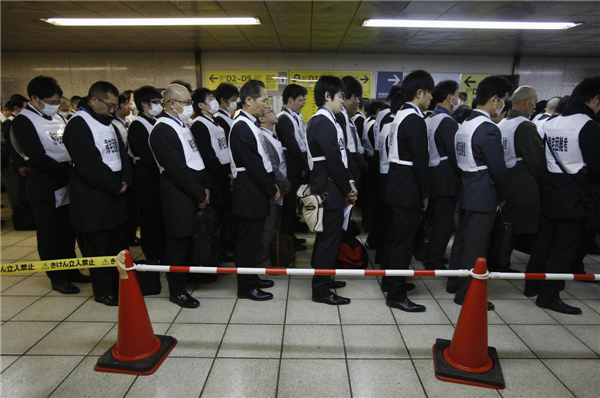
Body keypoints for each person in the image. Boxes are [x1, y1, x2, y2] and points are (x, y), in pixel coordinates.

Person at [525, 77, 600, 314]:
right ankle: (549, 295)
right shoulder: (587, 125)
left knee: (544, 242)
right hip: (575, 194)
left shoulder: (553, 123)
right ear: (595, 99)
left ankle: (532, 285)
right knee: (565, 247)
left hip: (550, 188)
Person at [11, 76, 90, 293]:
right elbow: (37, 156)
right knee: (49, 233)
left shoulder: (58, 118)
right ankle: (57, 277)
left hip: (65, 178)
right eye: (51, 101)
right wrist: (70, 175)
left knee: (67, 230)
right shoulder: (23, 120)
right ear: (35, 98)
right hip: (45, 182)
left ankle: (71, 270)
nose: (55, 106)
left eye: (57, 102)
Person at [63, 81, 132, 306]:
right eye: (110, 105)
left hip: (115, 192)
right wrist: (114, 185)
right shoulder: (78, 124)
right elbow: (89, 164)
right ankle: (104, 291)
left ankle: (119, 284)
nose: (113, 110)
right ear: (94, 100)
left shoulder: (108, 123)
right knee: (97, 246)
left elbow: (122, 153)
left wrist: (125, 181)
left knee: (116, 243)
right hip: (92, 195)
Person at [447, 75, 513, 310]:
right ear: (494, 99)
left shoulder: (464, 123)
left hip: (466, 187)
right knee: (476, 247)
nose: (503, 105)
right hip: (484, 191)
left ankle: (454, 283)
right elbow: (499, 168)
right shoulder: (488, 128)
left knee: (463, 241)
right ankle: (467, 295)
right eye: (504, 100)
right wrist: (503, 196)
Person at [149, 84, 211, 308]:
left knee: (188, 240)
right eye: (185, 103)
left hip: (193, 189)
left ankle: (188, 276)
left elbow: (195, 159)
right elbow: (177, 169)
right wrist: (198, 193)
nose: (190, 107)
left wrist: (205, 187)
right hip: (177, 193)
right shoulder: (163, 129)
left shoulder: (182, 125)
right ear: (172, 104)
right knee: (177, 242)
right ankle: (176, 290)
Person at [383, 70, 433, 312]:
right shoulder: (414, 119)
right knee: (404, 242)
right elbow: (421, 161)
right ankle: (396, 293)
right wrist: (425, 193)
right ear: (420, 92)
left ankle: (391, 281)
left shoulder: (400, 115)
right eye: (429, 92)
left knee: (395, 238)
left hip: (396, 182)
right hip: (408, 186)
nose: (432, 97)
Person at [307, 75, 356, 305]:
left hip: (330, 185)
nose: (342, 101)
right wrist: (348, 187)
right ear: (327, 96)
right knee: (328, 240)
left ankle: (323, 278)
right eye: (340, 97)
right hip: (329, 188)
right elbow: (334, 160)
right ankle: (321, 290)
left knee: (327, 238)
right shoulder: (322, 122)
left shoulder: (327, 120)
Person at [229, 79, 280, 300]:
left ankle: (252, 277)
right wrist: (271, 189)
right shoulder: (241, 126)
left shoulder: (250, 123)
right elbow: (253, 164)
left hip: (255, 188)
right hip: (249, 189)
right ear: (248, 100)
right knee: (248, 241)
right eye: (263, 100)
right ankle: (246, 286)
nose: (266, 105)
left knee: (255, 237)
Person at [495, 86, 546, 271]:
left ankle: (499, 258)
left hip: (504, 177)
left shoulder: (502, 124)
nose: (535, 106)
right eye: (534, 101)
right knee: (514, 225)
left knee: (505, 222)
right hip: (521, 181)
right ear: (526, 102)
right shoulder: (525, 126)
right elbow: (536, 160)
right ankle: (502, 261)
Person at [190, 87, 233, 263]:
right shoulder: (199, 124)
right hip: (215, 176)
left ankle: (222, 250)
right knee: (214, 218)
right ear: (201, 104)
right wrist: (224, 176)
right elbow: (208, 156)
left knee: (224, 216)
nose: (214, 101)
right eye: (210, 99)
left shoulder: (215, 121)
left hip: (224, 173)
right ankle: (214, 254)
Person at [424, 80, 461, 270]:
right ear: (449, 97)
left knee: (432, 220)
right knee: (443, 223)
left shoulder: (427, 119)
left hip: (430, 176)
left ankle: (429, 253)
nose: (459, 100)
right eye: (457, 95)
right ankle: (435, 260)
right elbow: (456, 156)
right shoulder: (447, 122)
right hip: (445, 179)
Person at [128, 86, 165, 266]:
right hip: (147, 179)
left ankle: (161, 252)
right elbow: (147, 155)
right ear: (144, 104)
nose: (159, 106)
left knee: (160, 220)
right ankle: (152, 256)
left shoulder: (156, 121)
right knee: (150, 221)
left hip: (160, 178)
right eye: (156, 102)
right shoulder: (137, 125)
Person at [257, 106, 291, 267]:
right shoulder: (263, 137)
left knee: (275, 225)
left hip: (279, 189)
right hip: (273, 189)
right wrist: (286, 184)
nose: (274, 113)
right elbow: (273, 167)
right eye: (269, 111)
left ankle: (274, 254)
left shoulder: (272, 135)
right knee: (267, 227)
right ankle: (264, 260)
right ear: (262, 119)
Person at [277, 84, 309, 251]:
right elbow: (292, 145)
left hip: (296, 166)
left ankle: (291, 237)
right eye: (300, 100)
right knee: (289, 208)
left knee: (293, 207)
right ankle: (286, 241)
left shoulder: (295, 116)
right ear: (290, 100)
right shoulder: (284, 118)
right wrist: (303, 165)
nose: (303, 103)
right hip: (291, 168)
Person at [112, 94, 139, 247]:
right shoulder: (114, 125)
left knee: (131, 210)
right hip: (123, 170)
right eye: (126, 104)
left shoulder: (127, 123)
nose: (129, 107)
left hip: (131, 170)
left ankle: (130, 236)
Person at [337, 76, 367, 185]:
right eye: (355, 97)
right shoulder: (339, 116)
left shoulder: (345, 116)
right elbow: (345, 147)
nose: (356, 101)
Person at [2, 95, 30, 211]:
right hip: (17, 161)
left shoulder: (22, 121)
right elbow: (12, 146)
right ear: (16, 108)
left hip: (26, 158)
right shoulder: (9, 123)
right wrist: (20, 164)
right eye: (25, 107)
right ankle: (21, 211)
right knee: (19, 188)